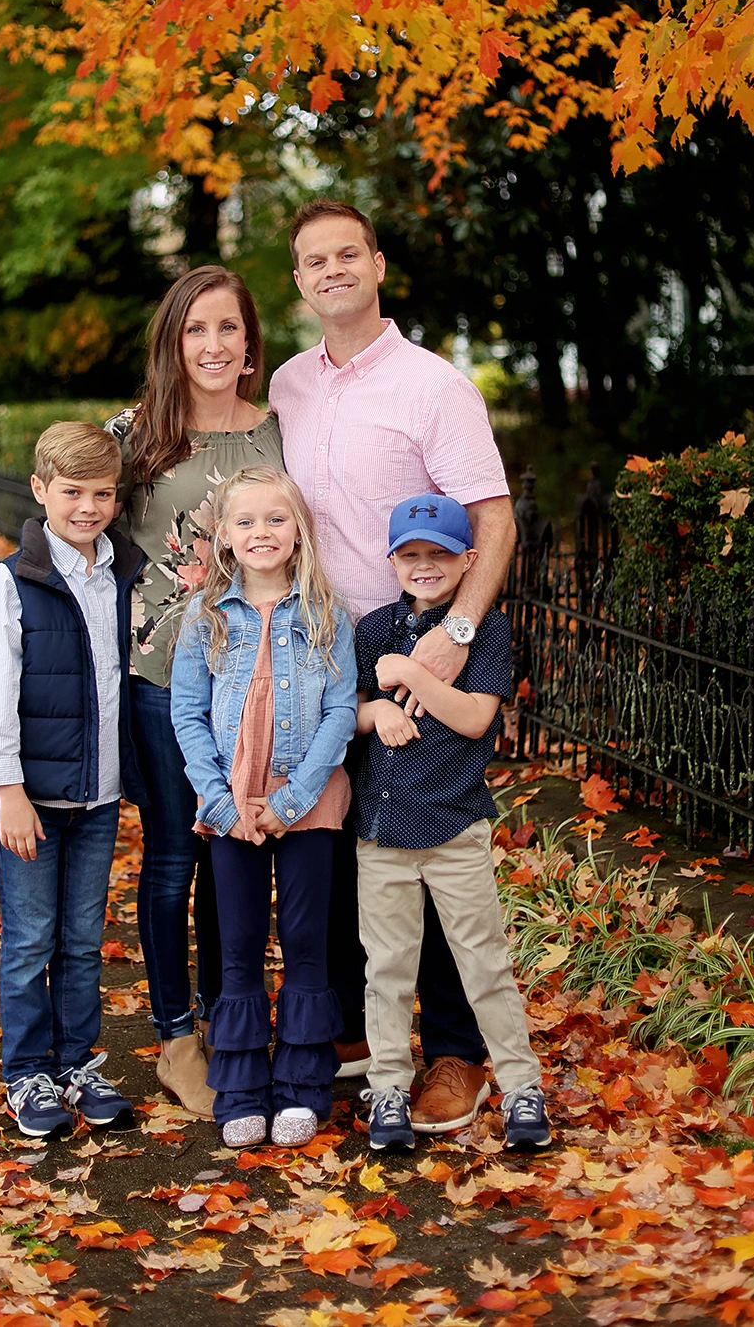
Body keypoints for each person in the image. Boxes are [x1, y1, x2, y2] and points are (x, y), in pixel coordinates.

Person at [270, 199, 517, 1134]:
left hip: (414, 650)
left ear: (378, 264)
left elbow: (493, 517)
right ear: (298, 280)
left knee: (430, 841)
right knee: (339, 838)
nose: (331, 270)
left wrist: (451, 634)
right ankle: (358, 1035)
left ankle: (456, 1052)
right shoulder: (287, 387)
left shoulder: (433, 387)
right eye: (313, 260)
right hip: (318, 655)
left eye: (347, 254)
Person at [106, 267, 284, 1118]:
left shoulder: (280, 432)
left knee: (233, 855)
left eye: (228, 329)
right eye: (195, 331)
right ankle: (177, 1039)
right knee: (176, 856)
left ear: (250, 342)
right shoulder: (134, 438)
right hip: (162, 677)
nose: (213, 346)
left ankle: (228, 1020)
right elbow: (72, 532)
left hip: (255, 680)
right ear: (173, 344)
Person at [354, 493, 551, 1153]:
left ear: (468, 560)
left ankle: (523, 1088)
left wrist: (411, 674)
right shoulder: (373, 630)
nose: (424, 566)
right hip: (381, 831)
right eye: (409, 555)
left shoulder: (488, 631)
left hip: (454, 827)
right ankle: (385, 1088)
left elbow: (473, 718)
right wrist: (375, 712)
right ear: (392, 562)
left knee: (483, 965)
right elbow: (348, 709)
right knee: (386, 969)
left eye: (438, 555)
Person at [170, 466, 355, 1148]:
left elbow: (340, 713)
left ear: (298, 531)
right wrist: (220, 802)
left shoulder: (327, 614)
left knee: (308, 943)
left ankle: (303, 1085)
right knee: (239, 945)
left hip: (307, 804)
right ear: (223, 535)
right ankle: (242, 1086)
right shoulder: (205, 616)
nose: (261, 533)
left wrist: (296, 796)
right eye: (245, 521)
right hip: (230, 809)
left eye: (275, 520)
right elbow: (187, 714)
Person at [0, 421, 142, 1138]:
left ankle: (77, 1063)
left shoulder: (126, 572)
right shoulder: (16, 581)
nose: (87, 507)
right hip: (32, 802)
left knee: (81, 939)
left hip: (98, 797)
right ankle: (27, 1074)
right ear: (41, 489)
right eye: (72, 492)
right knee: (31, 940)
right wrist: (7, 789)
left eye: (102, 493)